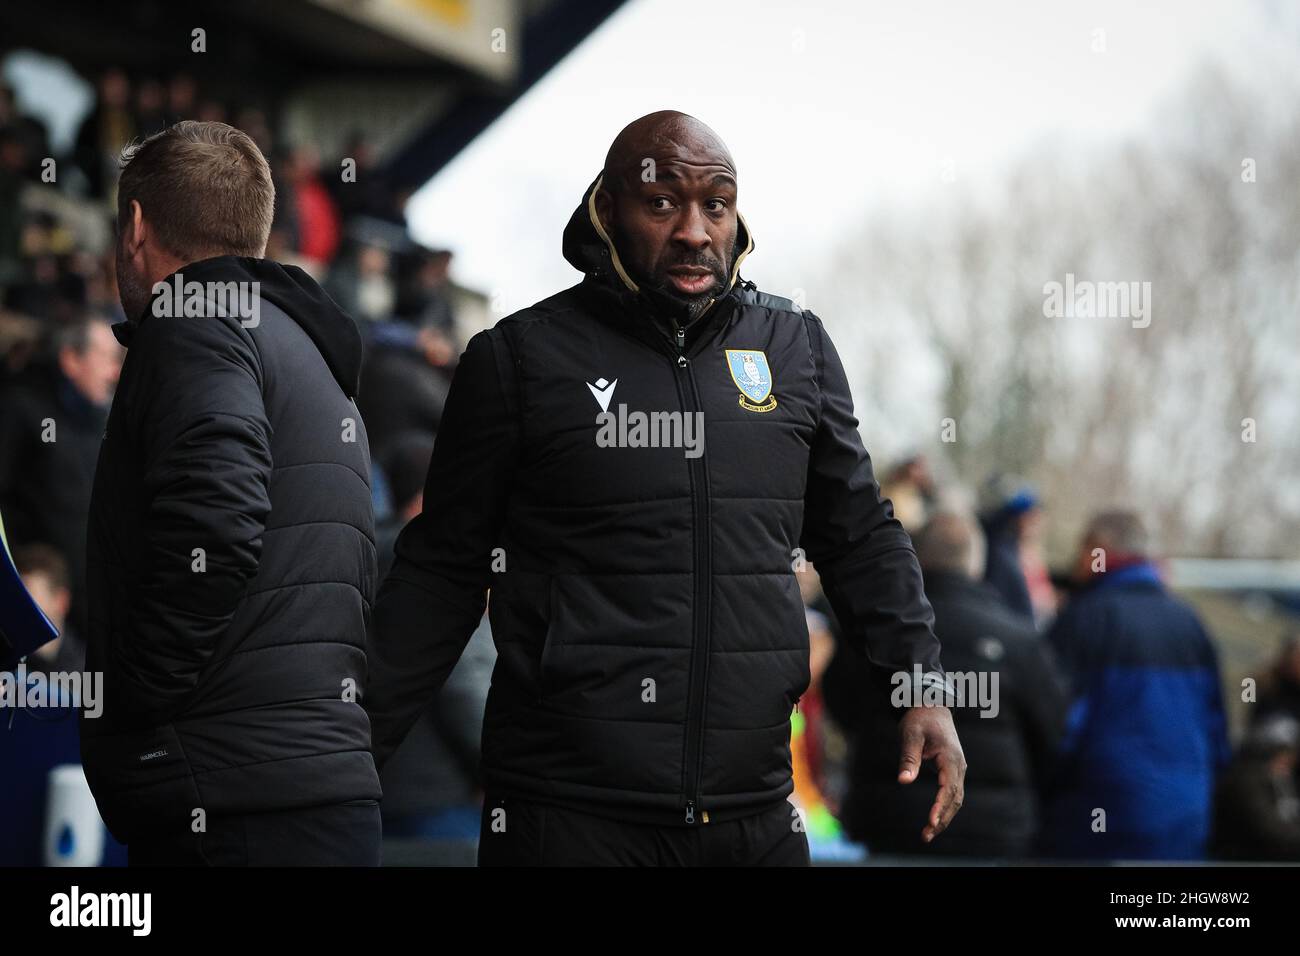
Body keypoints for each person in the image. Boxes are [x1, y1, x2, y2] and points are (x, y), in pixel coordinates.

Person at [364, 110, 964, 867]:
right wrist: (352, 749)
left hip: (753, 816)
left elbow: (860, 536)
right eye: (661, 203)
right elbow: (442, 570)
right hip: (567, 818)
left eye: (715, 204)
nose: (693, 230)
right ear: (606, 210)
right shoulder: (518, 361)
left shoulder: (796, 348)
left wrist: (920, 683)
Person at [81, 121, 381, 866]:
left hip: (227, 801)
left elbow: (215, 524)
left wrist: (136, 698)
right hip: (313, 790)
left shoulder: (194, 321)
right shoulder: (304, 350)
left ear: (137, 226)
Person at [839, 511, 1067, 858]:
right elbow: (1052, 730)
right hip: (991, 834)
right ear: (977, 563)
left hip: (890, 826)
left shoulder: (871, 634)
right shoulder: (1019, 640)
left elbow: (842, 706)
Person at [1040, 510, 1230, 860]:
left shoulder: (1083, 619)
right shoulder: (1190, 621)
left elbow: (1055, 726)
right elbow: (1217, 733)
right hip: (1185, 816)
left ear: (1097, 551)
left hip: (1095, 817)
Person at [0, 316, 122, 631]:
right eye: (106, 358)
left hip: (92, 599)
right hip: (37, 603)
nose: (114, 372)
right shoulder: (20, 410)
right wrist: (22, 577)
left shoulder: (102, 419)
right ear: (71, 359)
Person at [1212, 715, 1300, 861]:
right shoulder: (1247, 780)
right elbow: (1269, 829)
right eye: (1285, 755)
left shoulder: (1282, 779)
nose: (1289, 763)